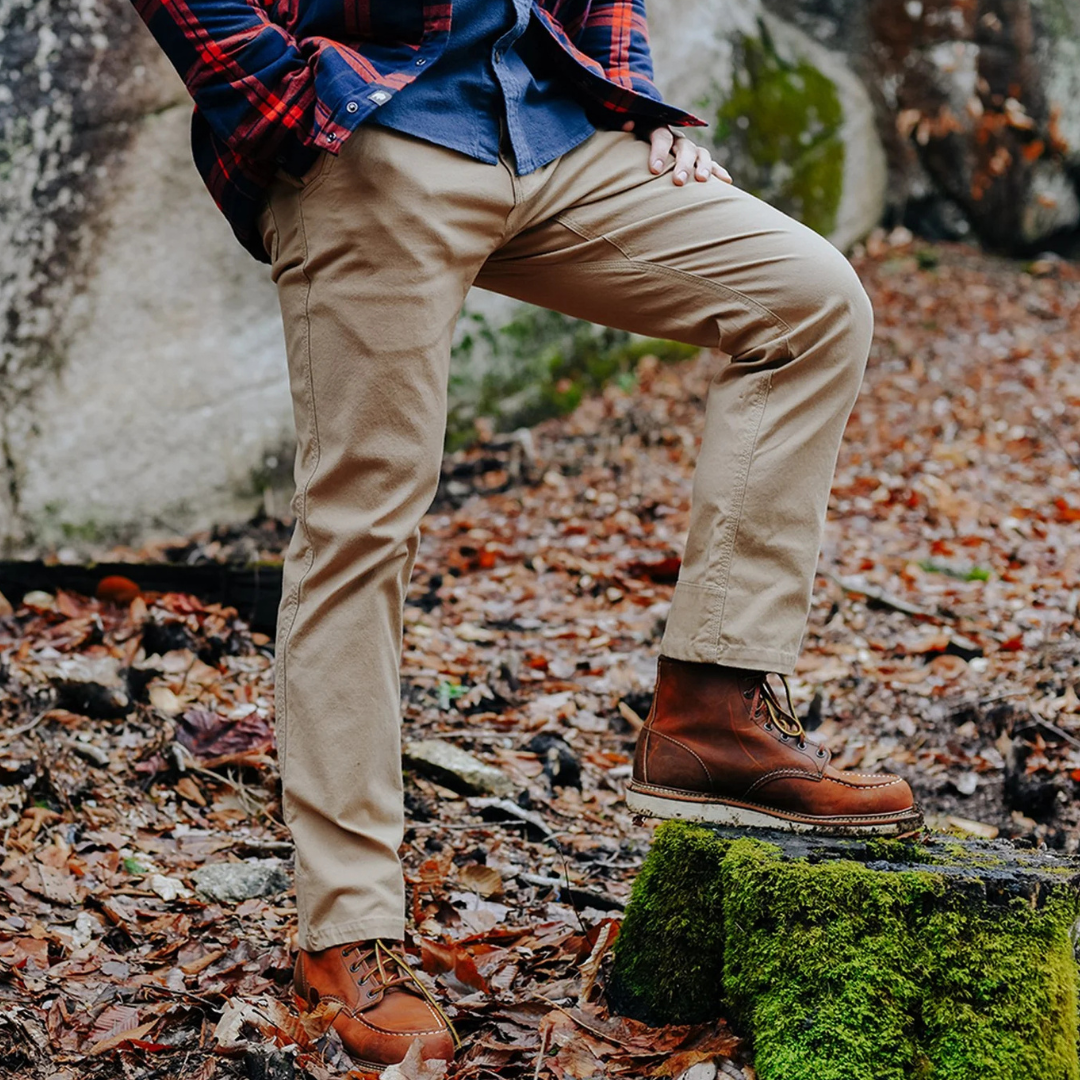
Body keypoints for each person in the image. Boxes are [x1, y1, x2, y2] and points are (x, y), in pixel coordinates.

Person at [133, 0, 922, 1068]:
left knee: (810, 301)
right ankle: (347, 934)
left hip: (551, 126)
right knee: (362, 526)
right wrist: (273, 98)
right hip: (369, 131)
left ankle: (712, 712)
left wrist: (630, 98)